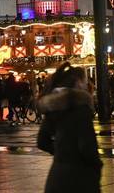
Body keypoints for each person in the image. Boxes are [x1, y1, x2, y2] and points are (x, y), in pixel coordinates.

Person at [37, 62, 102, 193]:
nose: (86, 85)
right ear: (77, 82)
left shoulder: (54, 106)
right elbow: (87, 146)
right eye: (85, 81)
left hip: (56, 177)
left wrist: (61, 150)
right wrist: (97, 166)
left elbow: (42, 141)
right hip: (80, 178)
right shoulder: (81, 108)